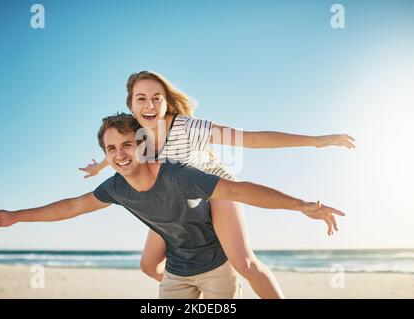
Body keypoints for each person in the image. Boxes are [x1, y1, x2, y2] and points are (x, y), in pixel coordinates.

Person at [0, 113, 345, 299]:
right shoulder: (117, 186)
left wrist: (302, 205)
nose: (119, 154)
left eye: (126, 145)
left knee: (244, 261)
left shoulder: (183, 162)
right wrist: (16, 216)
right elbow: (73, 206)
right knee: (148, 263)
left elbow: (243, 186)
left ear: (141, 143)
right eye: (111, 150)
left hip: (215, 236)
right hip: (178, 262)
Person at [79, 71, 355, 298]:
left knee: (243, 262)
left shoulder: (188, 128)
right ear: (131, 104)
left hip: (216, 191)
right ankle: (200, 286)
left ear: (166, 102)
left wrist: (317, 141)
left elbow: (251, 139)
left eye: (156, 98)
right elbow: (120, 148)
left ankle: (226, 285)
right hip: (181, 202)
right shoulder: (137, 134)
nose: (149, 105)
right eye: (141, 99)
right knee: (149, 264)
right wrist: (100, 166)